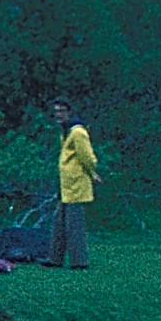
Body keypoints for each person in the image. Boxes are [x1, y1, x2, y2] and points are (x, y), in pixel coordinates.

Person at [48, 98, 97, 270]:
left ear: (69, 112)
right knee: (59, 222)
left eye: (62, 111)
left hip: (76, 185)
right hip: (66, 185)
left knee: (74, 224)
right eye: (56, 111)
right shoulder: (66, 131)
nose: (58, 115)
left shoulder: (77, 132)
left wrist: (93, 174)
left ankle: (79, 261)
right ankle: (55, 258)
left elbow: (87, 156)